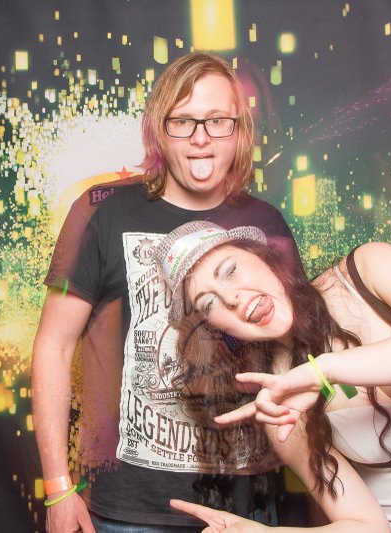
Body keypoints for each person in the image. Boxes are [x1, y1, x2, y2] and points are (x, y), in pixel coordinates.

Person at [32, 53, 303, 533]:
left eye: (217, 120)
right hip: (129, 512)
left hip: (248, 508)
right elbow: (53, 347)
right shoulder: (101, 211)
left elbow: (294, 350)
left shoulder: (267, 222)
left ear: (240, 132)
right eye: (183, 121)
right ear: (159, 130)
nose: (201, 137)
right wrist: (57, 487)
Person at [155, 221, 391, 532]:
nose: (230, 298)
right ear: (216, 328)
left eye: (230, 271)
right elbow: (367, 527)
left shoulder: (369, 270)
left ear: (262, 256)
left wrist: (322, 371)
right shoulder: (279, 403)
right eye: (209, 304)